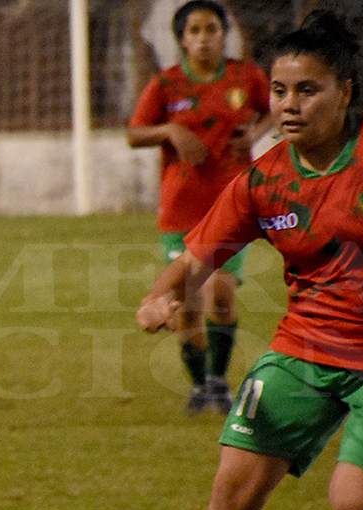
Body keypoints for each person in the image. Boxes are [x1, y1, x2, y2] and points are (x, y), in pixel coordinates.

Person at [137, 10, 363, 510]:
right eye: (282, 91)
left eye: (308, 90)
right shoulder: (264, 181)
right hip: (303, 350)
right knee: (231, 499)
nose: (289, 105)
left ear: (346, 93)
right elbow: (194, 259)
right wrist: (160, 297)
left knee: (358, 508)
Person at [128, 0, 271, 415]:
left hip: (232, 206)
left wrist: (256, 134)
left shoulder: (246, 75)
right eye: (195, 31)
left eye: (212, 28)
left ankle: (219, 381)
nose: (204, 37)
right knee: (188, 302)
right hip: (181, 209)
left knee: (221, 293)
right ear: (182, 40)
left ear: (225, 33)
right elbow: (134, 133)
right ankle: (203, 386)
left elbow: (270, 111)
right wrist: (170, 129)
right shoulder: (168, 85)